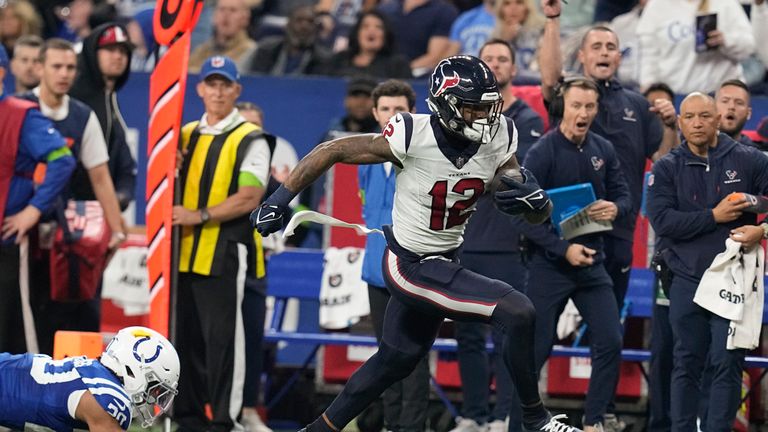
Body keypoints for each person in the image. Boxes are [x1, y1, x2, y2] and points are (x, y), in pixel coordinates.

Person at [252, 55, 579, 432]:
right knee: (518, 311)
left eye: (487, 107)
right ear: (445, 104)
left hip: (444, 260)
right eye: (472, 107)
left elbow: (521, 194)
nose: (483, 117)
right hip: (411, 265)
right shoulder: (413, 133)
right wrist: (279, 199)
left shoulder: (499, 134)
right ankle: (536, 419)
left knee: (394, 360)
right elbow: (333, 150)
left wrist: (539, 203)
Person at [539, 0, 677, 316]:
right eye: (597, 46)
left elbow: (664, 160)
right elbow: (549, 80)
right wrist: (553, 20)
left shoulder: (638, 105)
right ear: (582, 56)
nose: (604, 52)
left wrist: (670, 127)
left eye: (610, 47)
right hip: (566, 228)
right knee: (544, 327)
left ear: (619, 56)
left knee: (608, 329)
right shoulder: (571, 96)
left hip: (617, 229)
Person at [646, 92, 768, 432]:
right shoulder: (666, 167)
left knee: (727, 363)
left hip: (734, 279)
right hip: (685, 278)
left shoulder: (750, 159)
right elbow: (663, 221)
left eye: (704, 116)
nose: (697, 123)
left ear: (717, 119)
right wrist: (713, 216)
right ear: (680, 122)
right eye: (690, 117)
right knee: (685, 362)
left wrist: (763, 228)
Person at [522, 76, 631, 432]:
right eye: (576, 106)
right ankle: (520, 424)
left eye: (589, 106)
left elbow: (625, 197)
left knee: (611, 341)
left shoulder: (604, 149)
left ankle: (594, 421)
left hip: (592, 261)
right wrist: (562, 248)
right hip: (549, 265)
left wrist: (615, 208)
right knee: (534, 353)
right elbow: (523, 218)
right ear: (562, 109)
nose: (583, 113)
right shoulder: (542, 153)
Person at [173, 55, 273, 432]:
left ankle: (225, 422)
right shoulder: (183, 134)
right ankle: (189, 419)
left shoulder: (251, 139)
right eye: (211, 84)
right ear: (200, 89)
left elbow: (250, 197)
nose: (217, 91)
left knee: (224, 344)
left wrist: (196, 215)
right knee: (186, 341)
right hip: (182, 254)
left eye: (224, 84)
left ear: (237, 90)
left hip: (225, 252)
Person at [450, 38, 544, 432]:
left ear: (512, 68)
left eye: (502, 59)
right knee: (468, 337)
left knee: (510, 337)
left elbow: (521, 181)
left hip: (508, 243)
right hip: (463, 239)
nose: (496, 65)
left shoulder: (527, 119)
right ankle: (473, 415)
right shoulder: (454, 119)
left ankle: (505, 415)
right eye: (488, 59)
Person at [18, 38, 127, 355]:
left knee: (77, 316)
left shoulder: (83, 116)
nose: (64, 74)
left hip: (70, 237)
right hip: (23, 233)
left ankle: (77, 394)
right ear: (40, 68)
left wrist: (117, 228)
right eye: (57, 66)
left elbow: (101, 178)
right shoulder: (17, 109)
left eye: (70, 68)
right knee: (25, 318)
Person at [357, 79, 431, 432]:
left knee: (413, 357)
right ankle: (390, 425)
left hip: (413, 272)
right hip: (375, 272)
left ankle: (413, 428)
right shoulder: (366, 161)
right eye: (385, 109)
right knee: (384, 358)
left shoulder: (425, 160)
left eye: (399, 110)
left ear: (412, 114)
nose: (391, 116)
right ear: (374, 113)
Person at [0, 44, 75, 354]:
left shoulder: (21, 115)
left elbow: (62, 159)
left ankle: (24, 397)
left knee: (12, 327)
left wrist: (32, 210)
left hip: (6, 241)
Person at [0, 326, 179, 431]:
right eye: (153, 388)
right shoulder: (110, 398)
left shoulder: (95, 372)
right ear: (135, 370)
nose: (151, 398)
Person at [69, 22, 137, 212]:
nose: (118, 56)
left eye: (124, 51)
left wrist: (122, 194)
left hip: (101, 213)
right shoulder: (72, 98)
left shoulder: (109, 98)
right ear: (92, 53)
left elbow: (125, 163)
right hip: (71, 210)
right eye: (110, 49)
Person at [641, 81, 676, 432]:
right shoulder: (620, 145)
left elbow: (665, 161)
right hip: (662, 270)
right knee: (662, 351)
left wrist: (669, 127)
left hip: (692, 271)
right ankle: (660, 424)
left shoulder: (686, 154)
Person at [636, 0, 755, 94]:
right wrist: (649, 86)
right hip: (674, 95)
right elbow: (649, 54)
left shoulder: (725, 3)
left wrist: (726, 40)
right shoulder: (657, 6)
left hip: (720, 97)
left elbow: (748, 47)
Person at [378, 0, 458, 77]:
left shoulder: (444, 11)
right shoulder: (386, 9)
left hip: (418, 76)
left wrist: (403, 70)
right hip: (378, 72)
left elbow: (435, 56)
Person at [247, 6, 332, 76]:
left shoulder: (324, 59)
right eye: (299, 20)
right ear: (287, 25)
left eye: (310, 22)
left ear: (316, 28)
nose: (304, 26)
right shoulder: (266, 49)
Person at [327, 10, 412, 80]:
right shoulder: (338, 60)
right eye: (365, 26)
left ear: (386, 34)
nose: (371, 31)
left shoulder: (398, 65)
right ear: (357, 33)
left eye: (378, 27)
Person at [188, 0, 257, 73]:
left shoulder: (250, 50)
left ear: (245, 18)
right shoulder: (201, 50)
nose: (226, 15)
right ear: (214, 17)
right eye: (222, 9)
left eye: (233, 10)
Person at [490, 0, 545, 82]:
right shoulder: (494, 37)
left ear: (527, 8)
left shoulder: (543, 31)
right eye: (507, 3)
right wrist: (504, 41)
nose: (513, 8)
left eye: (519, 2)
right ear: (500, 10)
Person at [714, 79, 755, 148]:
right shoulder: (693, 151)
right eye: (725, 101)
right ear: (713, 108)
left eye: (739, 103)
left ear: (748, 113)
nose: (731, 107)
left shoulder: (759, 156)